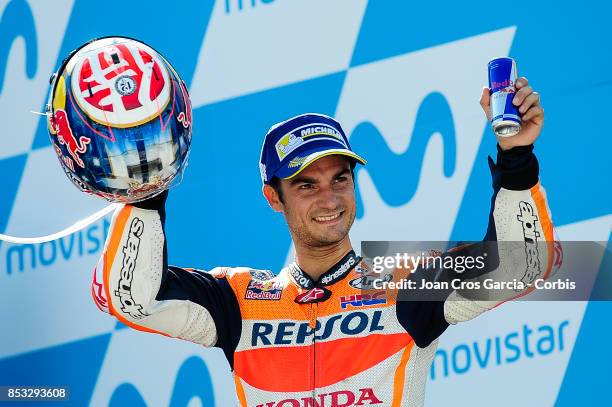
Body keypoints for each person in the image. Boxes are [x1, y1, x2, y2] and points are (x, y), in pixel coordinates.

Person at [92, 77, 555, 406]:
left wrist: (517, 158)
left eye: (340, 179)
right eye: (306, 185)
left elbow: (523, 264)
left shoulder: (405, 283)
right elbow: (130, 299)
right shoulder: (240, 304)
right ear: (274, 198)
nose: (330, 198)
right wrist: (146, 192)